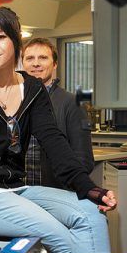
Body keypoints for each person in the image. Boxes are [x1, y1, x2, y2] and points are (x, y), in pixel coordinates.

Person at [0, 7, 117, 253]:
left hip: (17, 189)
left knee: (91, 214)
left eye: (0, 37)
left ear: (15, 41)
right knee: (60, 238)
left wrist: (88, 188)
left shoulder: (32, 88)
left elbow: (54, 142)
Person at [21, 37, 94, 189]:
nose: (36, 63)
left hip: (56, 191)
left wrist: (66, 187)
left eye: (43, 57)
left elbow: (84, 160)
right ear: (23, 64)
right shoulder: (13, 100)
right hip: (19, 193)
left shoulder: (72, 103)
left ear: (54, 64)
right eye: (29, 58)